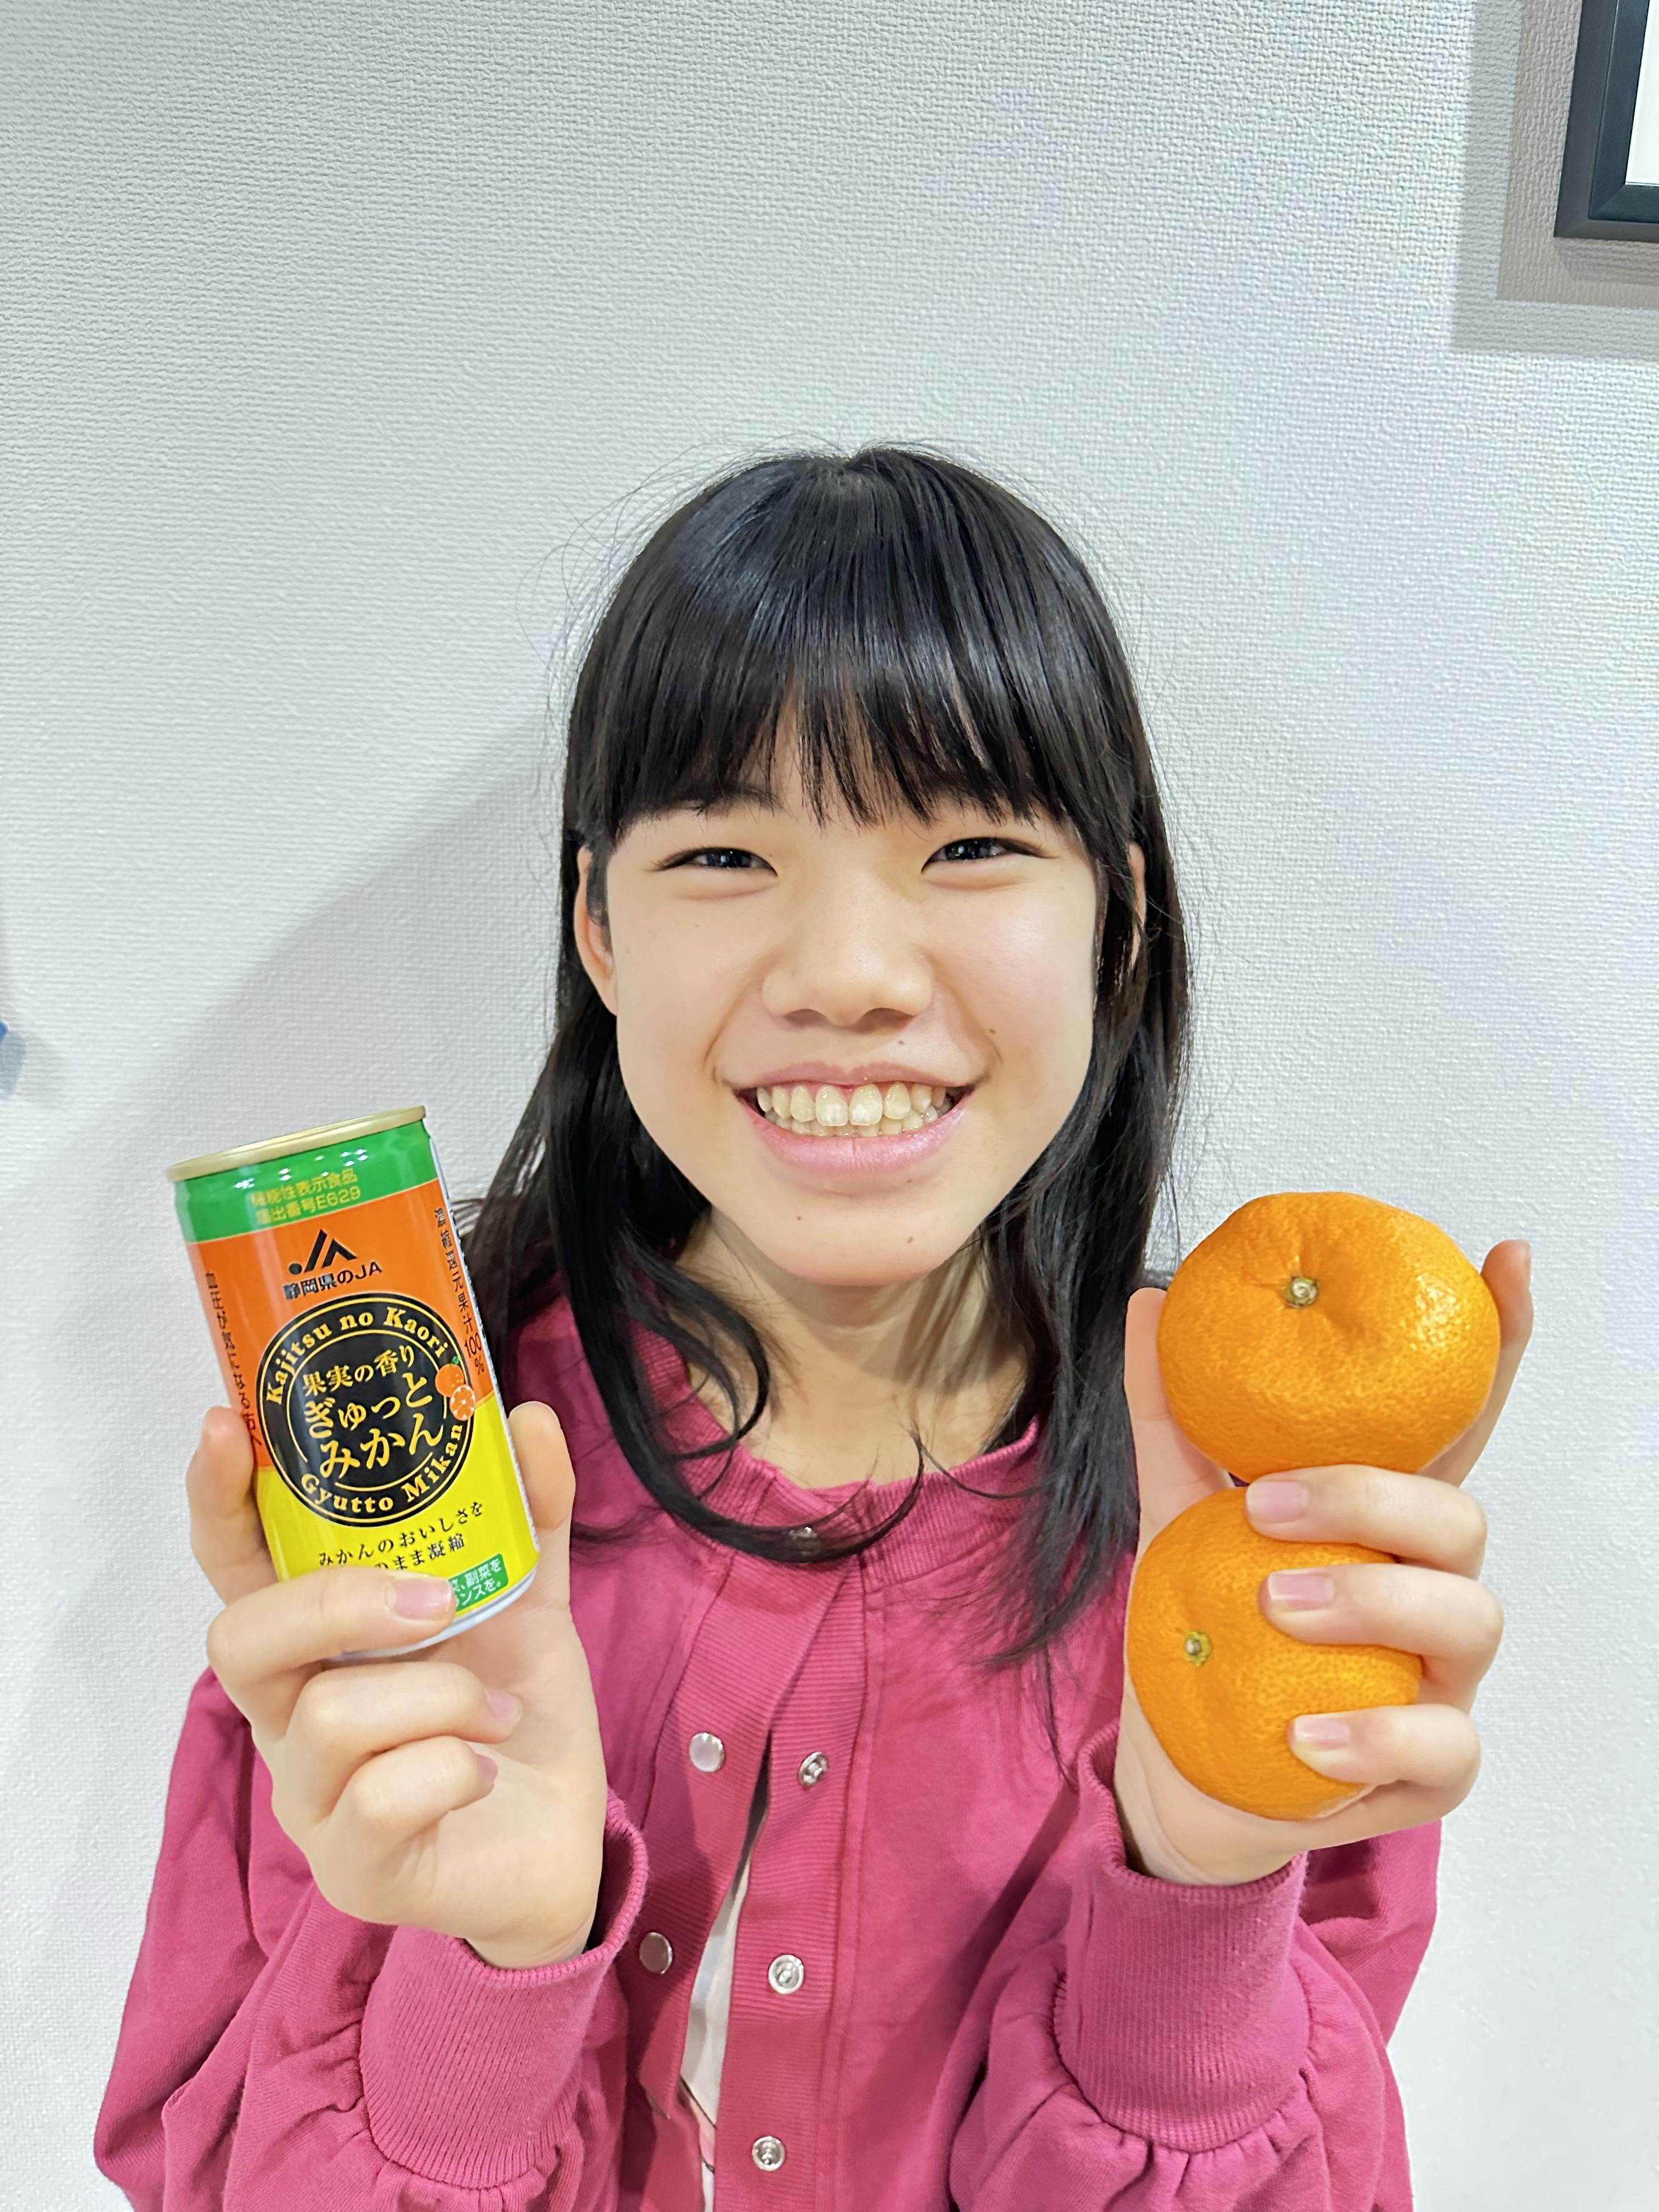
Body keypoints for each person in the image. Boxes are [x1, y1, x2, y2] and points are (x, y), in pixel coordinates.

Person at [95, 444, 1531, 2210]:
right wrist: (491, 1971)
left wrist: (1202, 1891)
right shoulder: (426, 1492)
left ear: (1123, 920)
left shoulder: (1247, 1547)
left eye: (974, 845)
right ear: (596, 928)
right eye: (723, 850)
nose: (848, 972)